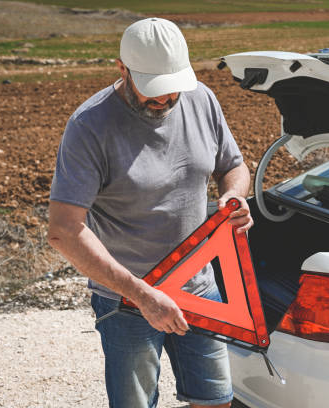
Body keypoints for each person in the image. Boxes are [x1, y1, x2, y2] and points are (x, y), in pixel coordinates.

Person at [47, 17, 252, 408]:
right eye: (153, 91)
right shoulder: (89, 127)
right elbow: (64, 230)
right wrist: (142, 295)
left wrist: (233, 199)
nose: (165, 100)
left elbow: (233, 166)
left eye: (172, 89)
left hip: (201, 289)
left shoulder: (201, 99)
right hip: (127, 302)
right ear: (121, 69)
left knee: (217, 400)